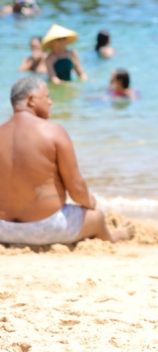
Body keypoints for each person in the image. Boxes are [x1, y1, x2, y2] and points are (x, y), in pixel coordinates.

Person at [0, 77, 134, 246]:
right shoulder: (53, 132)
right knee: (97, 217)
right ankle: (112, 237)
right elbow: (76, 189)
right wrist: (90, 202)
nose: (51, 102)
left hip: (3, 229)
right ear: (31, 100)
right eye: (47, 97)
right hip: (46, 228)